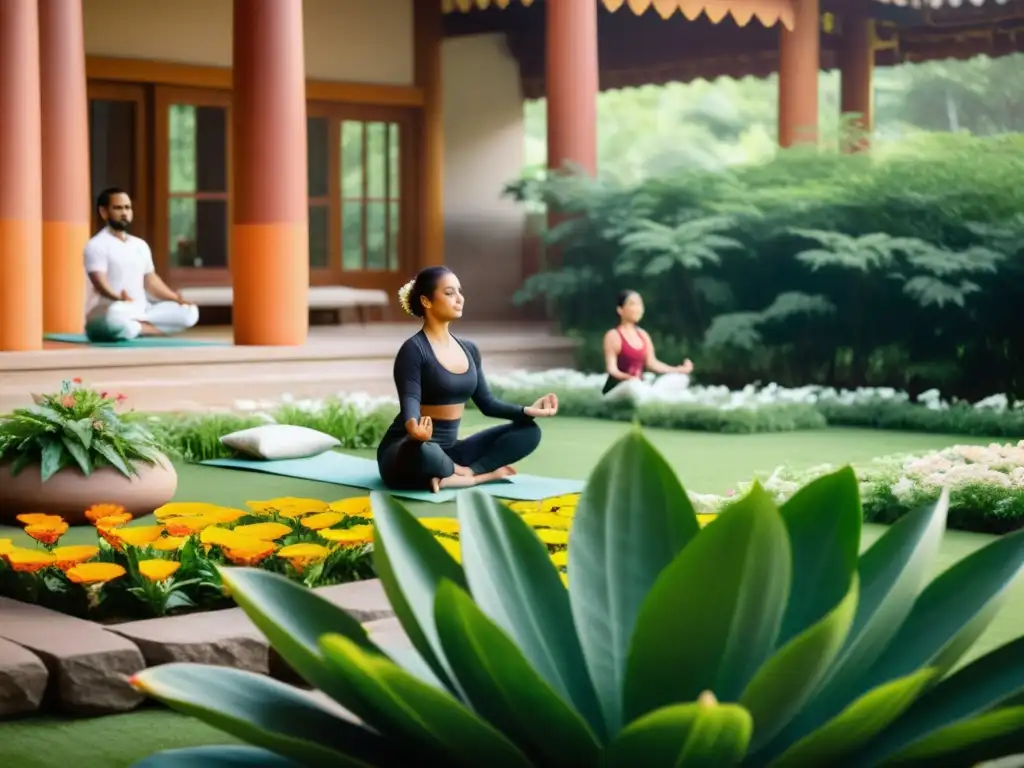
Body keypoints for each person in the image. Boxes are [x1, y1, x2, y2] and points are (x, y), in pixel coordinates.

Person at [377, 266, 558, 493]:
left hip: (451, 451)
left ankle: (466, 473)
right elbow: (410, 399)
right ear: (426, 301)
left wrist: (528, 411)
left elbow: (488, 404)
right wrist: (414, 429)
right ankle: (474, 477)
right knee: (423, 451)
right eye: (450, 292)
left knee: (529, 431)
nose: (459, 298)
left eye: (459, 292)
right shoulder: (414, 350)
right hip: (408, 448)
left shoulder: (469, 349)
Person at [83, 187, 199, 342]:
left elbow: (150, 281)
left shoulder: (140, 245)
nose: (124, 212)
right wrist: (117, 297)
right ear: (104, 212)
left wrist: (175, 298)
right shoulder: (96, 245)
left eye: (127, 208)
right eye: (118, 208)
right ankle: (141, 328)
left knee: (190, 312)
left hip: (142, 310)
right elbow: (99, 283)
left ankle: (136, 327)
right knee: (116, 318)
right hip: (109, 311)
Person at [602, 289, 694, 395]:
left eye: (640, 305)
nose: (638, 309)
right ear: (620, 310)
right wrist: (630, 378)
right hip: (620, 389)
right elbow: (612, 370)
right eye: (633, 304)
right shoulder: (613, 335)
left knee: (681, 378)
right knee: (633, 386)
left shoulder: (643, 335)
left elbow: (653, 364)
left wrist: (679, 370)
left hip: (639, 386)